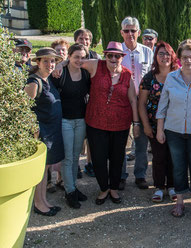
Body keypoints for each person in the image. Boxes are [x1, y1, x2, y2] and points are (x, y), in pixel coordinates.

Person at [77, 41, 140, 205]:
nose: (113, 58)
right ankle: (103, 188)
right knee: (98, 158)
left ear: (121, 57)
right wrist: (60, 64)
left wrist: (136, 123)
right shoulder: (96, 66)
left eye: (117, 56)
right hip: (96, 123)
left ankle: (113, 188)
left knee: (117, 158)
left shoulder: (127, 75)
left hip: (120, 125)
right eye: (109, 55)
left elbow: (133, 100)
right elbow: (76, 61)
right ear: (105, 56)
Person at [156, 44, 191, 217]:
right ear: (179, 59)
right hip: (174, 130)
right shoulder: (171, 78)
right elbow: (163, 105)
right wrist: (160, 129)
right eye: (184, 57)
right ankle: (180, 201)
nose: (188, 60)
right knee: (178, 166)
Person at [24, 47, 64, 216]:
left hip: (51, 131)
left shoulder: (47, 79)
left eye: (53, 61)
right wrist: (34, 130)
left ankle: (43, 201)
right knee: (40, 170)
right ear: (38, 62)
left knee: (45, 168)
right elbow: (23, 109)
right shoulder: (34, 82)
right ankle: (39, 204)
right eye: (46, 61)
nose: (50, 64)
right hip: (41, 133)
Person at [50, 44, 90, 209]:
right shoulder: (60, 73)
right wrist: (61, 64)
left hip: (80, 119)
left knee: (75, 157)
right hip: (65, 120)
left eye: (82, 57)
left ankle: (73, 186)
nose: (79, 60)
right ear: (69, 57)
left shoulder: (86, 73)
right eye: (76, 57)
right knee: (68, 158)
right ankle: (69, 191)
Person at [138, 41, 179, 203]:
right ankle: (159, 187)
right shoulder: (149, 78)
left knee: (174, 156)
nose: (164, 57)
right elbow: (141, 103)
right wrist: (146, 126)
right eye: (161, 53)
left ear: (172, 56)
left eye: (167, 53)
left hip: (175, 124)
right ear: (156, 56)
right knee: (159, 156)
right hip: (154, 125)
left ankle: (172, 186)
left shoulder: (178, 75)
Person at [119, 16, 154, 190]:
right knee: (121, 141)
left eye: (133, 30)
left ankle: (140, 175)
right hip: (122, 102)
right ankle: (121, 175)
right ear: (122, 33)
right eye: (127, 30)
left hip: (142, 103)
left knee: (141, 140)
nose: (130, 34)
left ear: (139, 33)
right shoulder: (117, 51)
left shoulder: (148, 52)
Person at [73, 28, 100, 178]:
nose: (84, 42)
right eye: (81, 39)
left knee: (92, 135)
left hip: (92, 100)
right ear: (76, 41)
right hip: (76, 100)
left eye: (87, 39)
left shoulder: (95, 56)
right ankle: (75, 165)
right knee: (77, 136)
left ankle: (90, 164)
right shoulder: (72, 57)